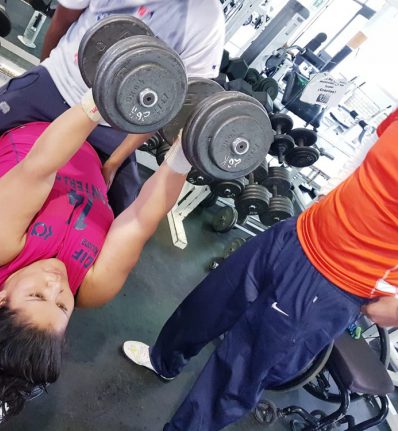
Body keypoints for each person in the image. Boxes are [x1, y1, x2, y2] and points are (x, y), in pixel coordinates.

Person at [122, 110, 398, 431]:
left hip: (336, 281)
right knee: (209, 303)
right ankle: (163, 360)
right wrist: (330, 191)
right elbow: (374, 144)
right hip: (298, 232)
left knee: (240, 369)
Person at [0, 88, 195, 420]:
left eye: (37, 295)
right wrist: (184, 154)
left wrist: (104, 95)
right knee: (154, 125)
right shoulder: (93, 289)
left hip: (38, 123)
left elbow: (41, 166)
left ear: (2, 299)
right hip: (95, 156)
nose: (56, 286)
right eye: (62, 306)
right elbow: (142, 220)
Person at [0, 0, 225, 215]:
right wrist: (42, 73)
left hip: (114, 123)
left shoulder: (205, 18)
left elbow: (174, 102)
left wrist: (115, 162)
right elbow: (62, 21)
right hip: (57, 81)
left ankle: (69, 272)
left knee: (126, 206)